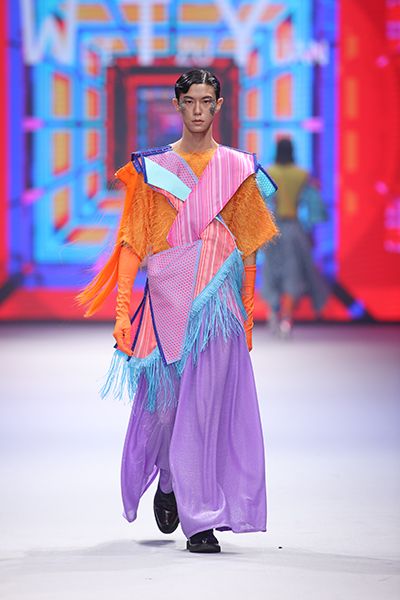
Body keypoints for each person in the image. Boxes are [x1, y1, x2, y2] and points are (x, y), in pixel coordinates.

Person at [77, 69, 278, 553]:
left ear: (219, 105)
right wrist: (122, 311)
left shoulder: (237, 169)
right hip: (166, 298)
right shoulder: (153, 169)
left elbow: (248, 244)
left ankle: (201, 518)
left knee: (205, 411)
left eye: (207, 101)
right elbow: (133, 242)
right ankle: (168, 477)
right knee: (164, 412)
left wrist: (248, 309)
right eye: (190, 101)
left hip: (217, 305)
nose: (198, 110)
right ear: (178, 105)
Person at [262, 138, 329, 338]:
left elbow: (259, 201)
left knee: (271, 272)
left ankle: (273, 312)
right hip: (293, 229)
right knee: (293, 274)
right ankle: (286, 319)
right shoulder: (302, 175)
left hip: (272, 229)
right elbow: (316, 208)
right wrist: (310, 228)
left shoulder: (268, 173)